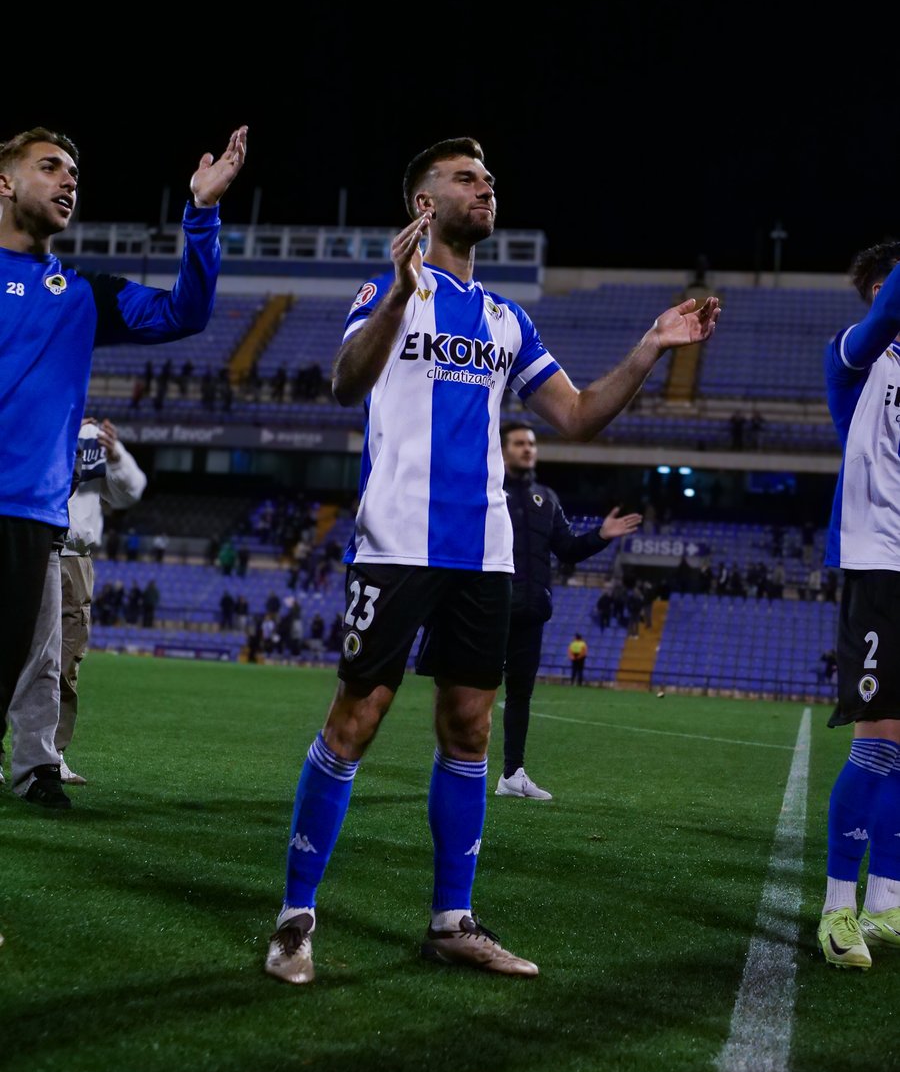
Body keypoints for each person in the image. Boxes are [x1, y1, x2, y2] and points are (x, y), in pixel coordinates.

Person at [263, 135, 719, 986]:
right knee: (354, 722)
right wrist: (400, 294)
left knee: (469, 725)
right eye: (467, 178)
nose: (487, 188)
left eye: (490, 180)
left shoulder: (509, 320)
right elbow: (345, 382)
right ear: (424, 203)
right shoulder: (390, 290)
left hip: (484, 552)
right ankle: (295, 918)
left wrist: (652, 346)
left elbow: (577, 416)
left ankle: (452, 921)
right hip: (397, 541)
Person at [0, 123, 247, 810]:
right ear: (5, 183)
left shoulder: (81, 293)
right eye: (50, 167)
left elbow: (185, 313)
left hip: (30, 520)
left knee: (34, 666)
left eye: (74, 172)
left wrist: (201, 215)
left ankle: (36, 769)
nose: (68, 180)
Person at [815, 240, 900, 970]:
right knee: (876, 743)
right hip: (878, 564)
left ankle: (887, 904)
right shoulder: (855, 359)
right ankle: (838, 908)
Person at [495, 421, 641, 800]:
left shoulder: (547, 498)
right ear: (501, 448)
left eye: (531, 443)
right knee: (471, 690)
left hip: (531, 611)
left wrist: (601, 536)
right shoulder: (485, 491)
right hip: (488, 608)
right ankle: (457, 765)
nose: (528, 449)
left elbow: (569, 550)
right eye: (519, 443)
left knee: (520, 695)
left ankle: (513, 774)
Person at [4, 416, 147, 787]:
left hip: (73, 556)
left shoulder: (91, 439)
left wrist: (114, 455)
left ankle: (49, 754)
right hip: (27, 544)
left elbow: (129, 492)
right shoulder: (37, 423)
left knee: (65, 660)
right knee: (8, 652)